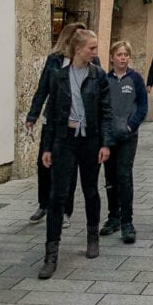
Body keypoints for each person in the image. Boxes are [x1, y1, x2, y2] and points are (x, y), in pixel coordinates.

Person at [38, 29, 112, 279]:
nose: (95, 52)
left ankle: (92, 236)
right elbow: (52, 114)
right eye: (91, 48)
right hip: (64, 140)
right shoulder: (59, 76)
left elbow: (105, 112)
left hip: (90, 141)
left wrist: (105, 143)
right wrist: (47, 147)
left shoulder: (98, 75)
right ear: (78, 49)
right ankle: (51, 254)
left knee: (90, 190)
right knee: (57, 196)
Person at [25, 22, 84, 226]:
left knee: (70, 166)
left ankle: (65, 211)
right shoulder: (54, 60)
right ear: (67, 38)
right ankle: (44, 204)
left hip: (75, 122)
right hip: (52, 119)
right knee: (44, 163)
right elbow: (43, 89)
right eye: (77, 37)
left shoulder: (88, 62)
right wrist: (32, 115)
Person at [100, 41, 148, 245]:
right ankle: (113, 217)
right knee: (110, 177)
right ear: (112, 57)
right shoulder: (104, 80)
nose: (122, 58)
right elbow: (100, 106)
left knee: (124, 176)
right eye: (119, 54)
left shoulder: (135, 78)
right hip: (108, 137)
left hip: (127, 136)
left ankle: (127, 222)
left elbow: (142, 106)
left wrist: (131, 125)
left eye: (125, 55)